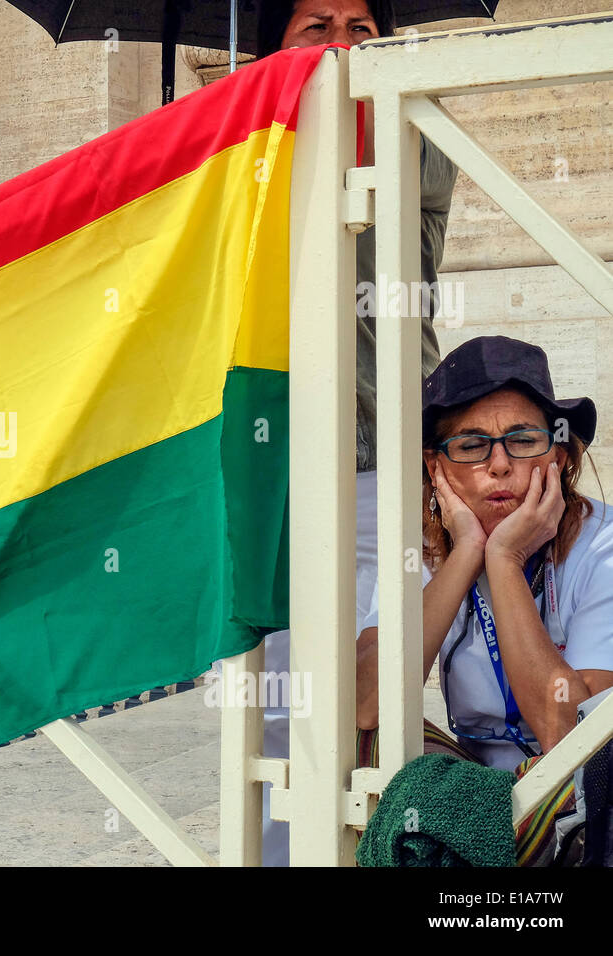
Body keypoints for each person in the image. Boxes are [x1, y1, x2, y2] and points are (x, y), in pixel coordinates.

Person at [252, 0, 459, 865]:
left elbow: (360, 140)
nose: (342, 45)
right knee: (281, 718)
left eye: (361, 28)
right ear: (273, 44)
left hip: (381, 467)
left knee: (372, 707)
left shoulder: (413, 127)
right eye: (316, 27)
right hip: (274, 475)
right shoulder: (253, 148)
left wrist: (267, 105)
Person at [356, 336, 613, 862]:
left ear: (559, 456)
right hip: (480, 776)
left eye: (522, 440)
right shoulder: (419, 551)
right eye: (471, 446)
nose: (499, 465)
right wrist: (467, 552)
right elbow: (364, 703)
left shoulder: (602, 545)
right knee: (361, 736)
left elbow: (571, 733)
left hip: (581, 786)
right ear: (437, 468)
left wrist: (506, 561)